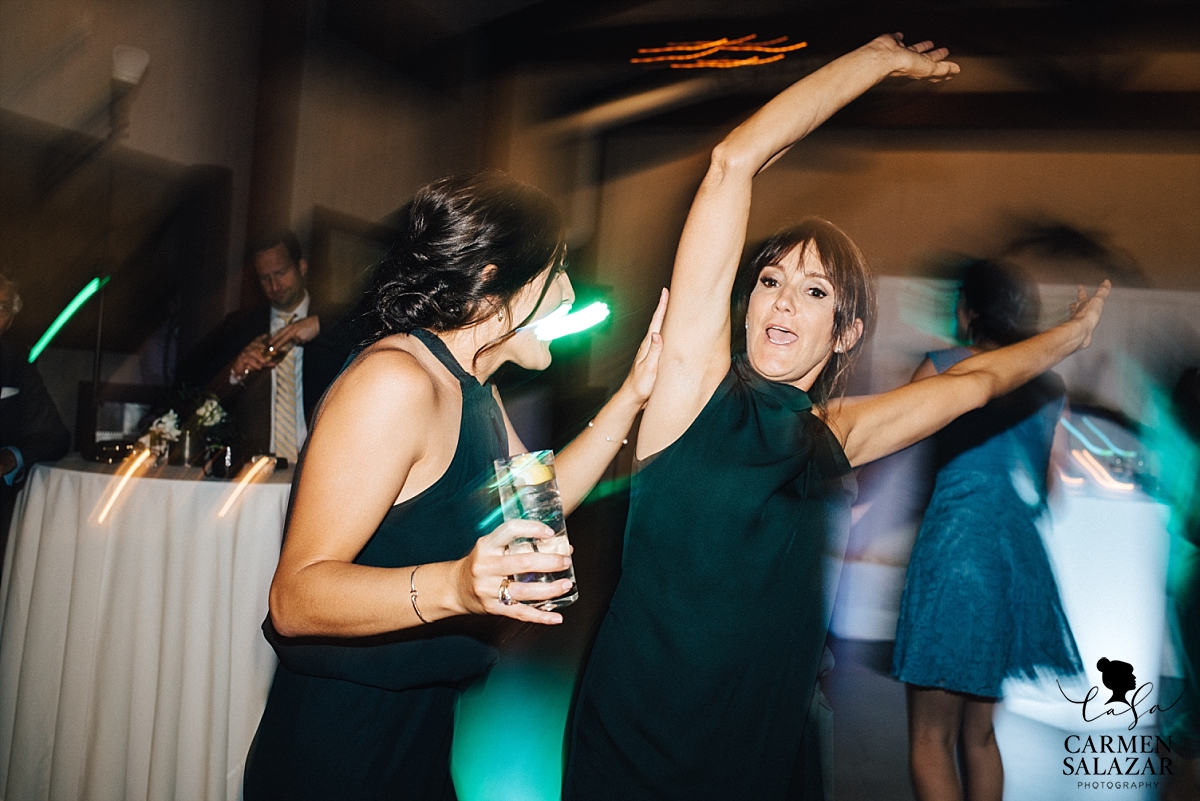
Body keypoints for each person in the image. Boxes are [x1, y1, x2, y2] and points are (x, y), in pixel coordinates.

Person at [564, 34, 1108, 800]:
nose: (785, 298)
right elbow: (732, 162)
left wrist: (1071, 337)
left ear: (845, 331)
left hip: (767, 742)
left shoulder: (838, 434)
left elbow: (980, 383)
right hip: (645, 740)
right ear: (745, 300)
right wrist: (877, 62)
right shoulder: (689, 391)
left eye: (816, 291)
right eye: (771, 279)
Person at [242, 171, 666, 801]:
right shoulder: (396, 383)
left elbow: (539, 500)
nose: (572, 293)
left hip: (423, 732)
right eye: (557, 272)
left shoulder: (478, 391)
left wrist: (632, 395)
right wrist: (457, 585)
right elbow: (295, 598)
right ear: (496, 283)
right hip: (341, 749)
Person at [890, 260, 1082, 801]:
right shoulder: (1047, 386)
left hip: (956, 551)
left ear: (968, 311)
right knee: (980, 737)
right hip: (1010, 558)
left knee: (930, 737)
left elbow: (892, 440)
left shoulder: (943, 366)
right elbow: (1051, 492)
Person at [176, 231, 352, 460]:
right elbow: (197, 392)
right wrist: (234, 373)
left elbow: (368, 345)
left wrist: (322, 326)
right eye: (264, 278)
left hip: (322, 461)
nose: (274, 285)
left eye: (280, 273)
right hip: (257, 465)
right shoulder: (240, 327)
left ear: (301, 266)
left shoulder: (335, 320)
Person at [0, 273, 71, 562]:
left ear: (10, 319)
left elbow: (54, 436)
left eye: (2, 307)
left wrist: (11, 457)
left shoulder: (16, 362)